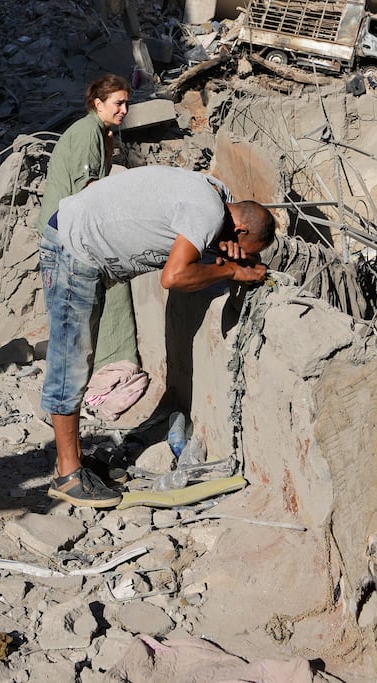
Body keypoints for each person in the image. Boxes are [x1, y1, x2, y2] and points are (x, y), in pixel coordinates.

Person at [39, 166, 275, 507]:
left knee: (79, 360)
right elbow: (174, 276)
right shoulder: (207, 212)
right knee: (70, 362)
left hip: (76, 239)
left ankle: (75, 460)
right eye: (247, 248)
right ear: (239, 228)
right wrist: (231, 269)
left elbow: (199, 236)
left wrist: (224, 252)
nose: (241, 254)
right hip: (72, 250)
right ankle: (67, 475)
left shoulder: (218, 195)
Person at [40, 75, 143, 416]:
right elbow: (88, 187)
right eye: (118, 103)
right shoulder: (87, 132)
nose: (124, 110)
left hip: (75, 227)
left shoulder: (102, 133)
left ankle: (100, 372)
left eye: (126, 103)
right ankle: (88, 385)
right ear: (98, 104)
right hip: (66, 232)